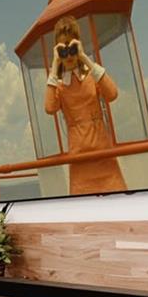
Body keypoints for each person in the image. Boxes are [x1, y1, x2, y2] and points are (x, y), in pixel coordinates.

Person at [44, 15, 127, 195]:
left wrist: (84, 57)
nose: (69, 55)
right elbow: (49, 107)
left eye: (71, 47)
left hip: (104, 158)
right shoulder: (59, 85)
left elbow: (112, 94)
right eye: (63, 49)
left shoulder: (92, 76)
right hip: (80, 164)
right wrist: (55, 63)